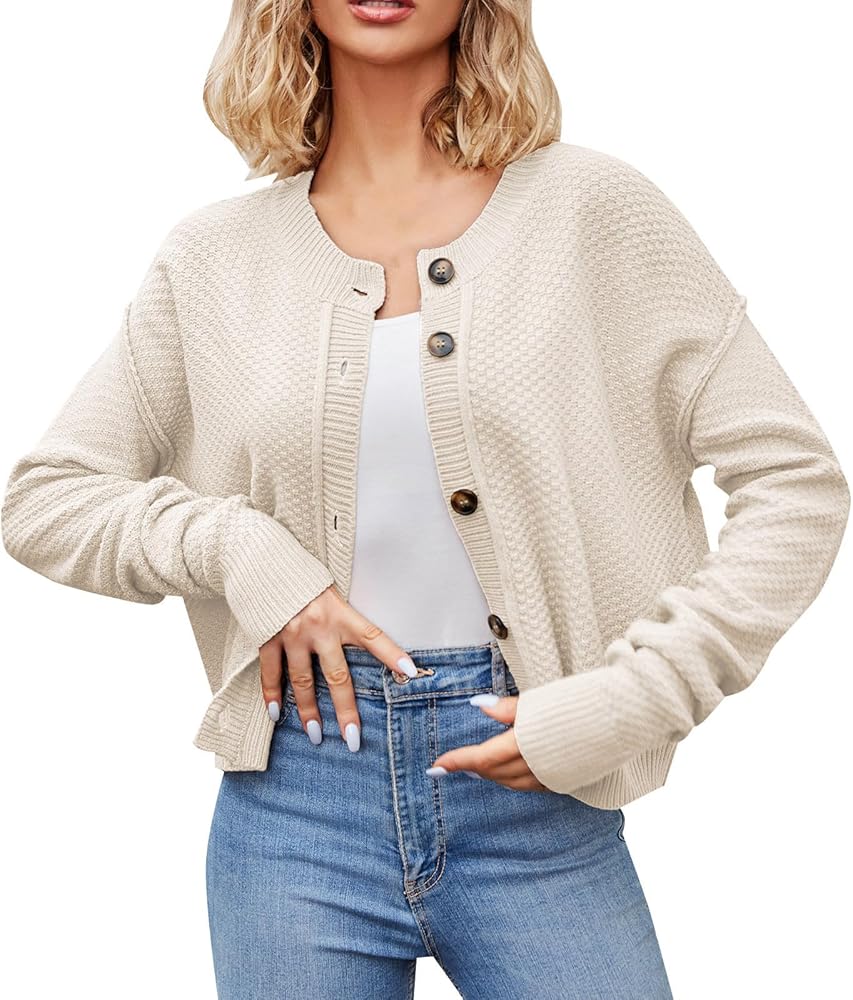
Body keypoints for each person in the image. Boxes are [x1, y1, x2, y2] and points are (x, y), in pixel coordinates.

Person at [2, 1, 848, 997]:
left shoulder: (592, 211)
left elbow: (795, 480)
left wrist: (635, 698)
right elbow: (44, 499)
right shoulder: (213, 258)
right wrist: (242, 549)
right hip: (294, 806)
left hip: (541, 796)